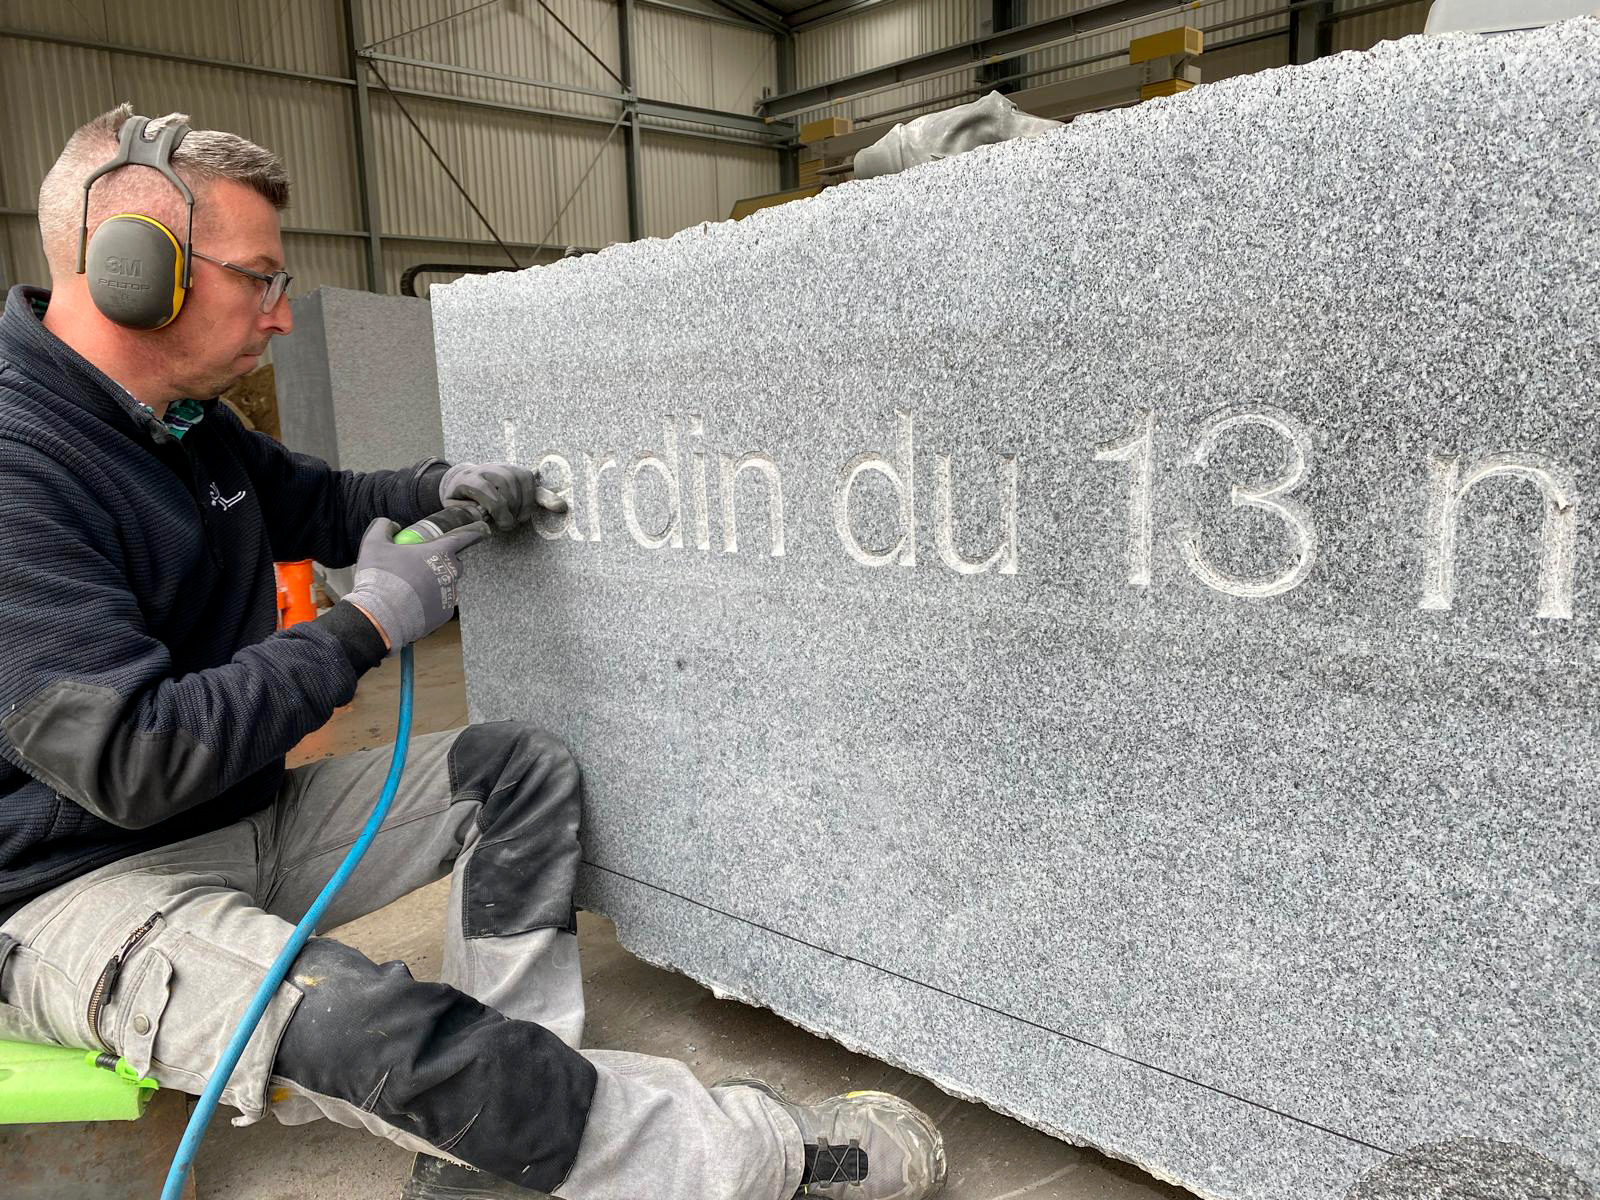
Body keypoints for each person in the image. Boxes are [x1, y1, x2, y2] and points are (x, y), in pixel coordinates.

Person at [0, 106, 947, 1200]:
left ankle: (497, 1148)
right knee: (380, 1032)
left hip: (242, 815)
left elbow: (311, 495)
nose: (281, 318)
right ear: (136, 270)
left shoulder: (173, 415)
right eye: (256, 280)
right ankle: (767, 1159)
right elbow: (131, 761)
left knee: (517, 769)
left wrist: (435, 489)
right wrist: (361, 628)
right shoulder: (22, 465)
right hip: (82, 890)